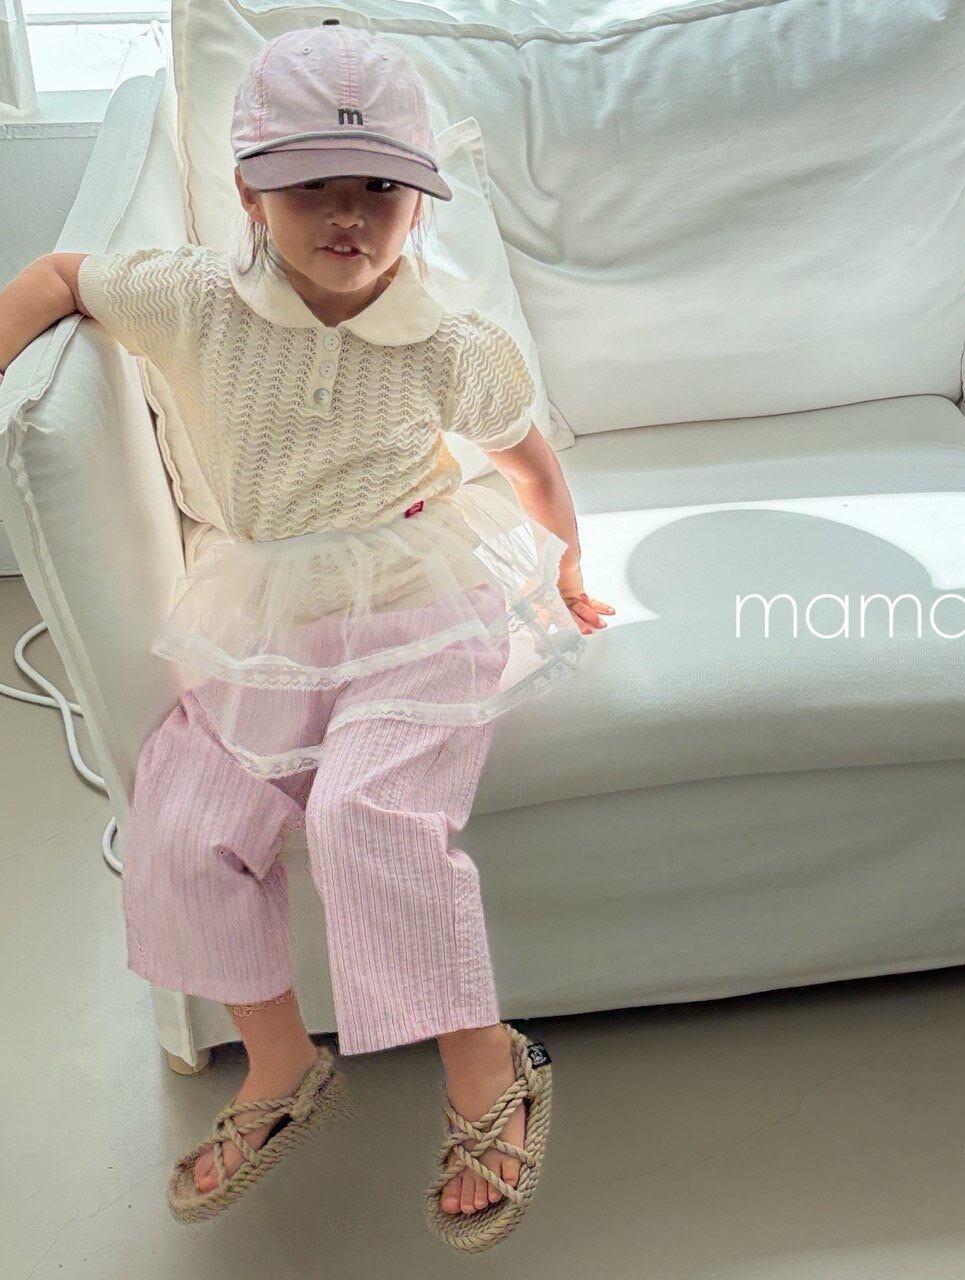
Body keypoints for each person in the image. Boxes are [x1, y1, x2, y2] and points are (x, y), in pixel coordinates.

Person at [0, 18, 612, 1250]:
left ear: (419, 201)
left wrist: (566, 557)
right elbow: (63, 274)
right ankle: (281, 1063)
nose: (346, 214)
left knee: (365, 812)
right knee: (181, 820)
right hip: (264, 613)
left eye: (379, 187)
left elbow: (528, 460)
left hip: (416, 606)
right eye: (309, 185)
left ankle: (487, 1061)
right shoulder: (194, 301)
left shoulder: (447, 345)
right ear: (248, 191)